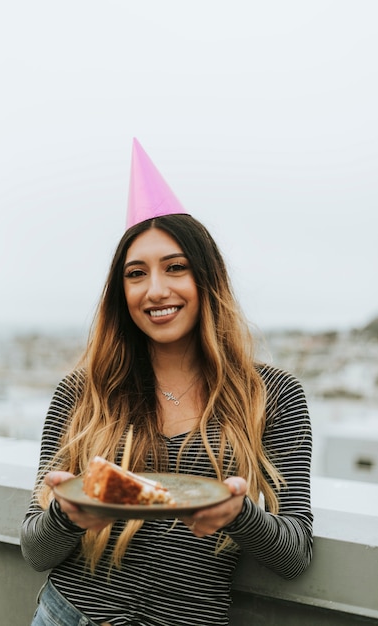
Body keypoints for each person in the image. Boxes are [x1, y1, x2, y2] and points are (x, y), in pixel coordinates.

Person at [21, 139, 313, 626]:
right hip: (66, 615)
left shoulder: (274, 396)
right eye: (137, 274)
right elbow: (35, 549)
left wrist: (238, 515)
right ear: (122, 294)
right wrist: (66, 515)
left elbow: (295, 553)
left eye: (175, 267)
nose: (156, 290)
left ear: (207, 278)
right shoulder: (82, 392)